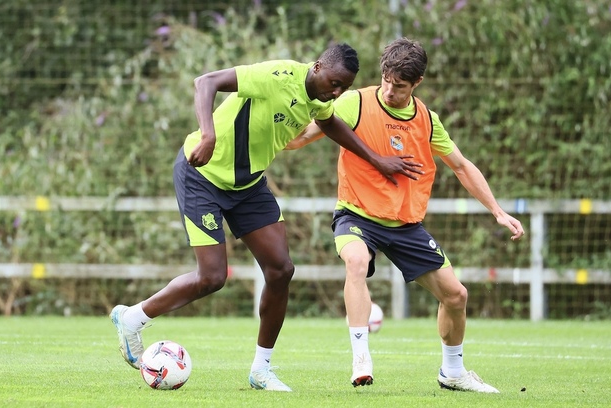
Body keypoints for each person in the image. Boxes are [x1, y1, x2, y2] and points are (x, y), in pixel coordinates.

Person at [110, 43, 419, 392]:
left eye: (343, 88)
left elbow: (330, 122)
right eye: (334, 83)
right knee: (211, 277)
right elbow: (205, 82)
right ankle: (132, 317)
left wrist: (376, 159)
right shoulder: (277, 76)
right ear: (317, 67)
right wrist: (207, 132)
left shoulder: (320, 97)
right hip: (202, 175)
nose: (336, 92)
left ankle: (261, 369)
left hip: (249, 185)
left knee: (281, 269)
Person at [285, 37, 525, 393]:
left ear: (417, 84)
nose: (389, 90)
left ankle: (453, 373)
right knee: (355, 262)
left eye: (399, 86)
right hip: (357, 214)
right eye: (385, 80)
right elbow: (300, 138)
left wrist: (498, 211)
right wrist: (280, 122)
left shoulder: (426, 120)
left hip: (404, 225)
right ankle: (361, 357)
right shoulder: (357, 102)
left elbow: (460, 166)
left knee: (456, 296)